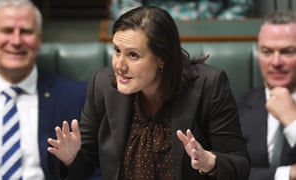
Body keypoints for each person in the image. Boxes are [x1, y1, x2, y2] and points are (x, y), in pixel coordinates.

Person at [48, 6, 250, 180]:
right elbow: (86, 164)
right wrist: (71, 158)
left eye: (133, 55)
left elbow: (240, 166)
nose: (119, 66)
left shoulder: (209, 86)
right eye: (117, 50)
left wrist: (210, 162)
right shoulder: (102, 85)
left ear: (162, 59)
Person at [0, 0, 87, 179]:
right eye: (7, 31)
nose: (16, 41)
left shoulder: (77, 97)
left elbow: (97, 171)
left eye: (26, 32)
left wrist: (72, 162)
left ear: (39, 40)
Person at [237, 11, 296, 180]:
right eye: (267, 52)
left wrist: (293, 122)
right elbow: (226, 172)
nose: (276, 62)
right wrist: (288, 174)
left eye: (288, 52)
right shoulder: (237, 106)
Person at [109, 0, 253, 20]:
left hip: (213, 39)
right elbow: (125, 9)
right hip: (153, 37)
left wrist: (214, 26)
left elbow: (241, 5)